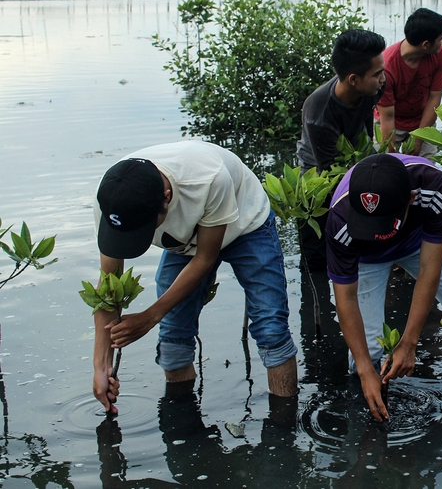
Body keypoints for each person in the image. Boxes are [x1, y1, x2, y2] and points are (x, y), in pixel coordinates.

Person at [92, 141, 299, 414]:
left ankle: (284, 428)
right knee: (173, 335)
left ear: (166, 197)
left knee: (271, 328)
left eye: (141, 228)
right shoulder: (112, 197)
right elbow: (108, 288)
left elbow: (205, 258)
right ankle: (182, 422)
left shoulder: (208, 179)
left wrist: (150, 317)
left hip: (245, 223)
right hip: (183, 239)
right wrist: (100, 365)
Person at [325, 153, 442, 421]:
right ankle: (369, 419)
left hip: (416, 243)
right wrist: (366, 370)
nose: (379, 233)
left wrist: (409, 342)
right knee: (367, 352)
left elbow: (429, 269)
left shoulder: (435, 189)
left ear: (411, 198)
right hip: (366, 257)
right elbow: (346, 297)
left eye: (384, 222)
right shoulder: (340, 219)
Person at [295, 29, 387, 270]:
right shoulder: (320, 113)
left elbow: (367, 124)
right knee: (315, 259)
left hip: (353, 160)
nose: (383, 79)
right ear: (353, 79)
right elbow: (330, 173)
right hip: (318, 179)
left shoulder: (374, 87)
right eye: (377, 74)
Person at [377, 8, 442, 157]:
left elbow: (434, 99)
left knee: (426, 172)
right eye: (440, 39)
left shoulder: (440, 54)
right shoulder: (387, 66)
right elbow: (388, 117)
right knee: (387, 167)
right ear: (425, 45)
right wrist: (392, 158)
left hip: (422, 121)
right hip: (390, 124)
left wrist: (418, 142)